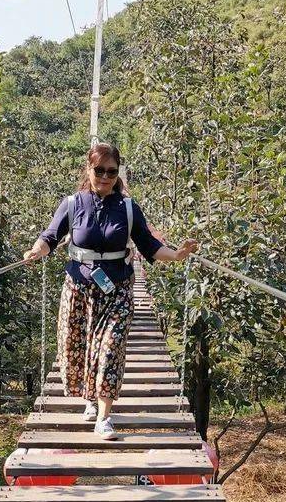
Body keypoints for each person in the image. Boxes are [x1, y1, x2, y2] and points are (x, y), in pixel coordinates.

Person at [23, 143, 197, 438]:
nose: (104, 176)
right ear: (88, 170)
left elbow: (149, 245)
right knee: (78, 350)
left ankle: (104, 416)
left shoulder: (128, 208)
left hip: (118, 289)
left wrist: (177, 255)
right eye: (99, 170)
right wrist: (36, 251)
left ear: (118, 174)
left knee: (110, 350)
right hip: (79, 288)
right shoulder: (72, 203)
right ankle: (89, 399)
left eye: (111, 171)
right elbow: (50, 236)